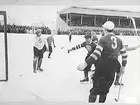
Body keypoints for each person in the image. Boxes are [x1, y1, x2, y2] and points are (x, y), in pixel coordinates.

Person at [77, 21, 128, 103]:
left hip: (102, 66)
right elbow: (124, 55)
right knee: (104, 90)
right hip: (112, 67)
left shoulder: (103, 39)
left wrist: (85, 64)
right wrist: (123, 67)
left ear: (105, 29)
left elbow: (96, 54)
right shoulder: (119, 40)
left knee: (94, 90)